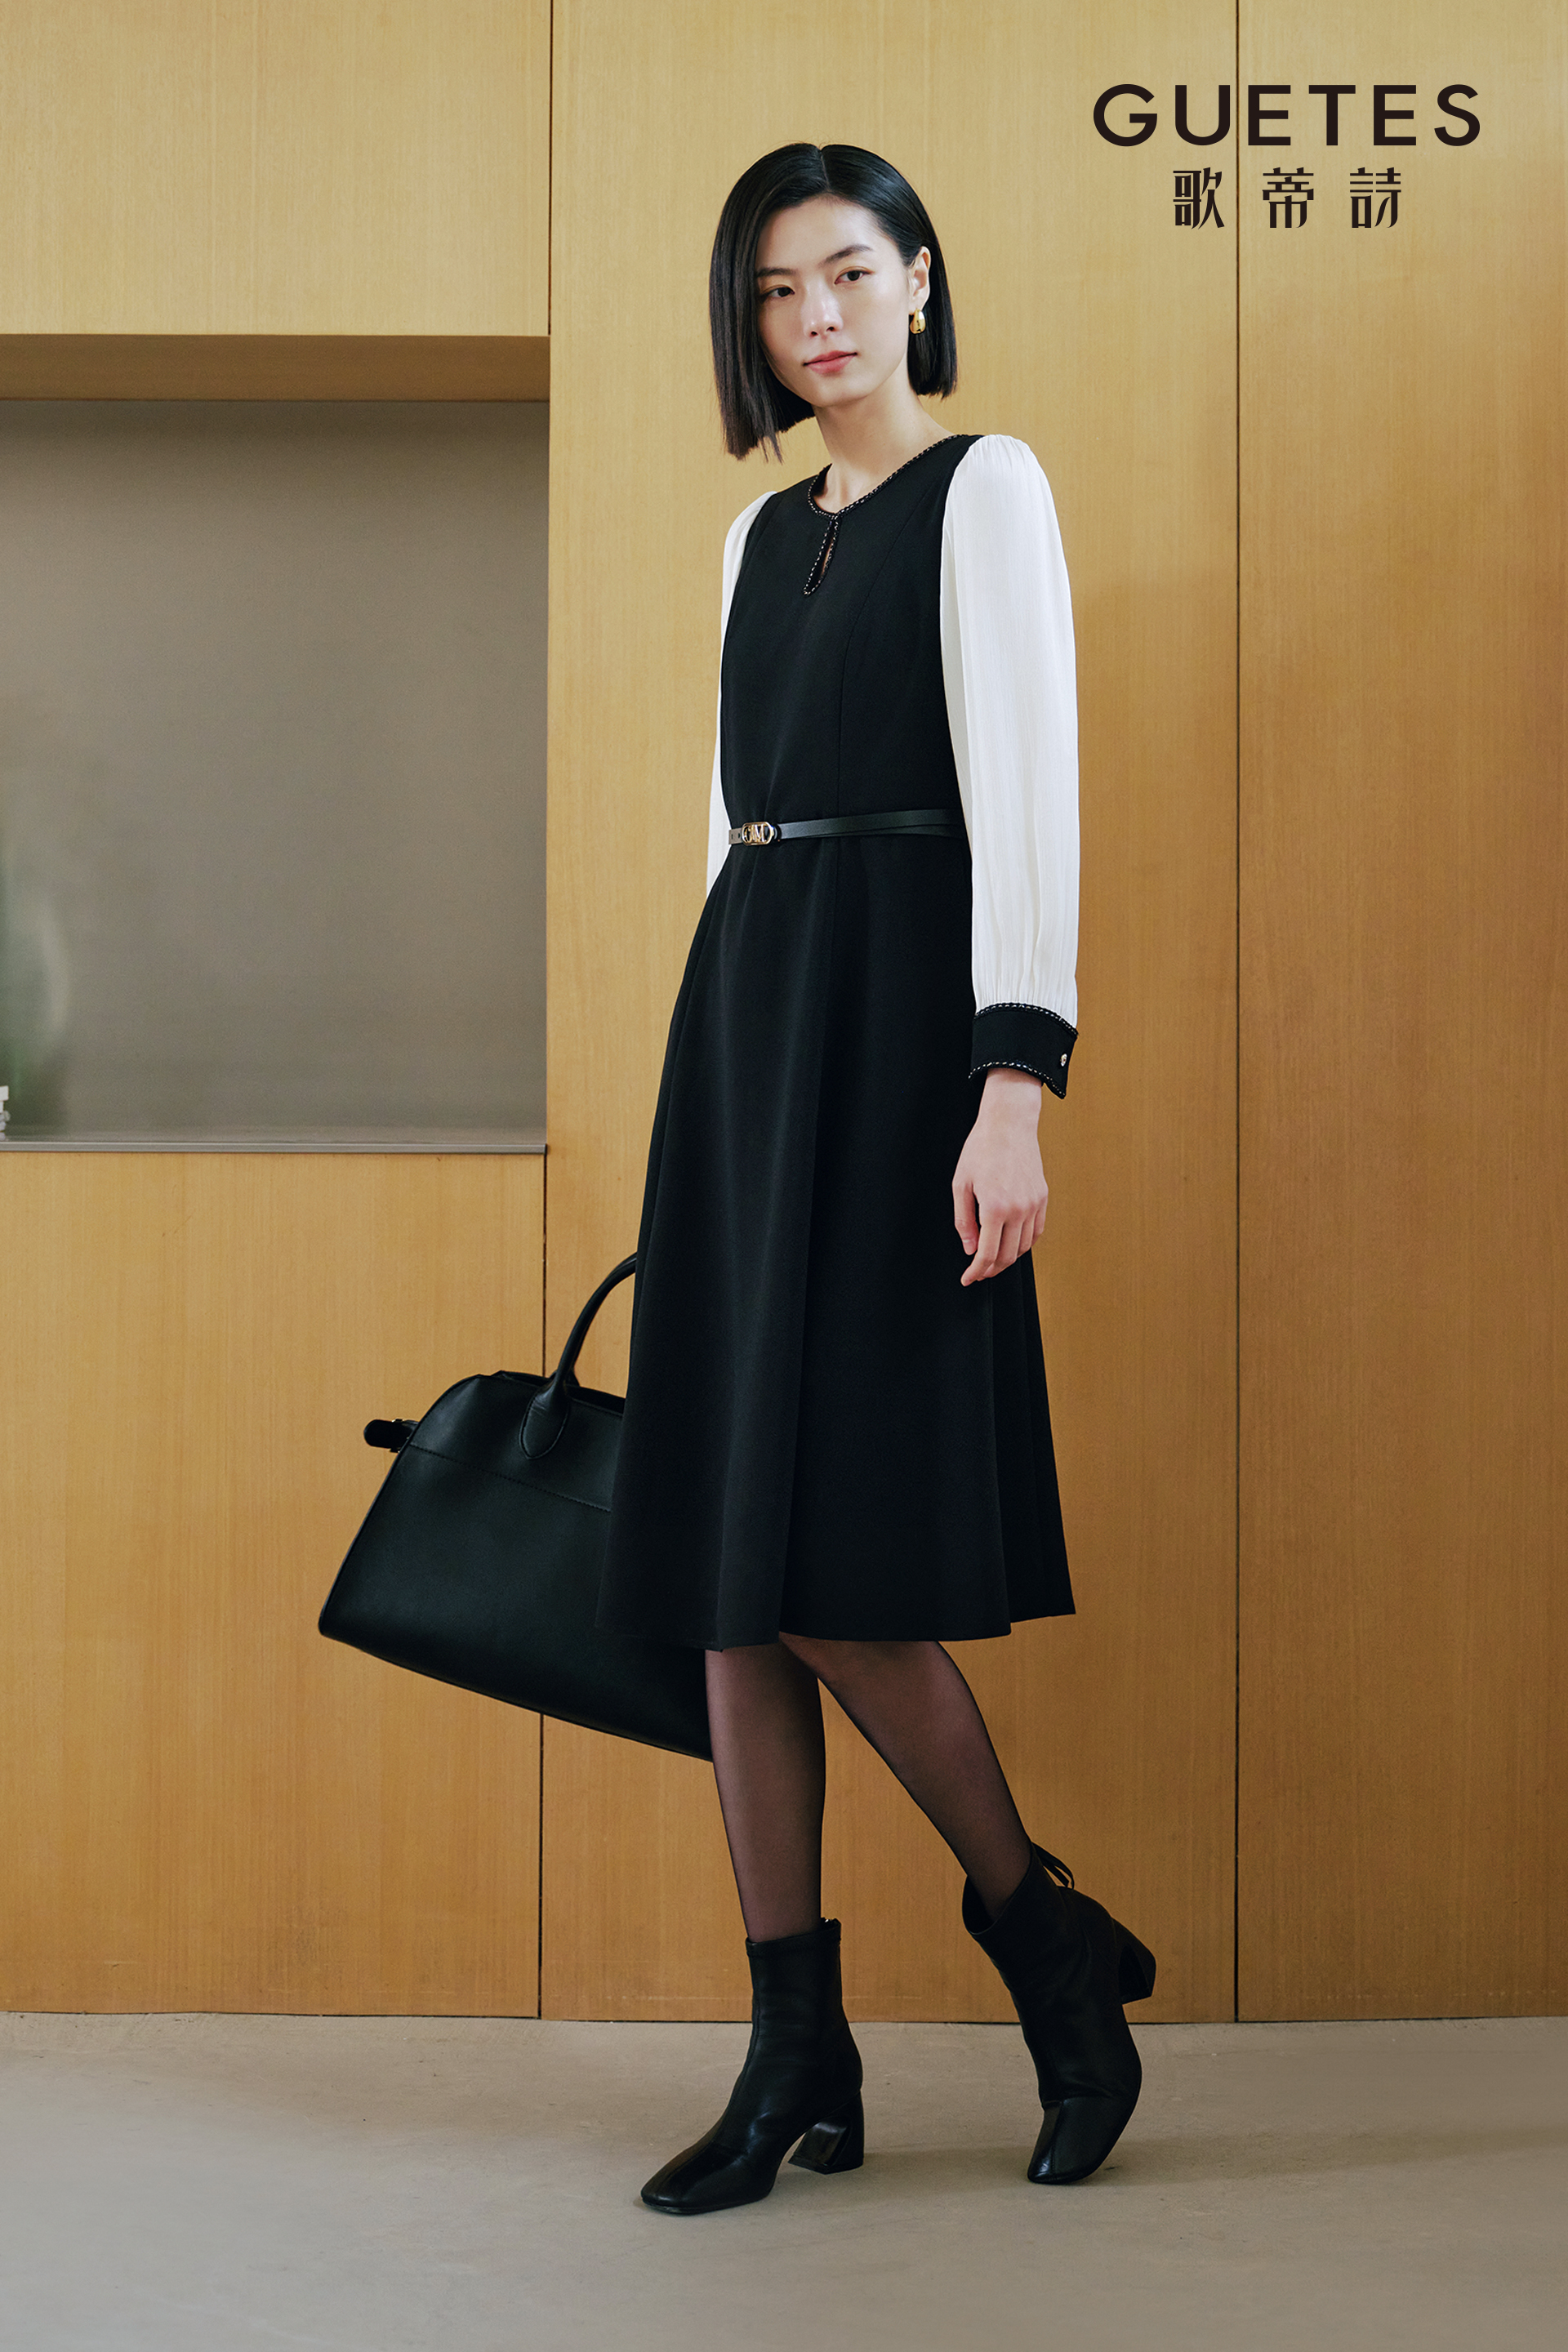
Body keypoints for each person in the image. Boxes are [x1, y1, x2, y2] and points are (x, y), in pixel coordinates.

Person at [597, 142, 1154, 2216]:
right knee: (733, 1589)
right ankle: (794, 2059)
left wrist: (1017, 1085)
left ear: (918, 280)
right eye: (775, 290)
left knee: (835, 1575)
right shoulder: (757, 539)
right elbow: (727, 829)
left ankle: (1046, 1949)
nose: (813, 317)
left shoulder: (985, 490)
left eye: (846, 272)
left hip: (910, 1041)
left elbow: (1030, 794)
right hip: (749, 1043)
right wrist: (709, 1109)